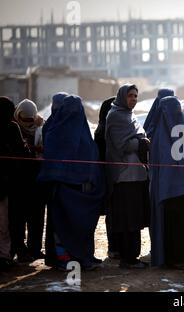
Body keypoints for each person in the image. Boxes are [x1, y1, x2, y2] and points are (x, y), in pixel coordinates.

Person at [38, 95, 104, 270]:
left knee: (82, 226)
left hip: (81, 189)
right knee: (61, 227)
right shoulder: (54, 131)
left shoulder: (83, 132)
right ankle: (63, 259)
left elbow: (91, 157)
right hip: (61, 188)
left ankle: (83, 256)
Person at [150, 96, 184, 269]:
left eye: (179, 110)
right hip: (168, 189)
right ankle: (174, 259)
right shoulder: (159, 136)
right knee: (173, 224)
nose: (176, 114)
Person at [105, 84, 150, 269]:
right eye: (130, 95)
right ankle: (129, 258)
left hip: (135, 174)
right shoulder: (115, 115)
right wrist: (142, 142)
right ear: (122, 96)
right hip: (125, 175)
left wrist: (141, 140)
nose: (133, 99)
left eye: (136, 96)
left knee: (134, 218)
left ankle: (131, 256)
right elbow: (123, 144)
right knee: (129, 219)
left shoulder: (128, 115)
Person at [12, 99, 46, 260]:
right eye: (25, 120)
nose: (28, 123)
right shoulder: (13, 128)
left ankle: (35, 248)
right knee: (19, 218)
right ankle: (19, 248)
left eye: (31, 120)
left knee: (37, 216)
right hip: (18, 180)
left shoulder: (40, 126)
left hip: (37, 179)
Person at [0, 97, 30, 270]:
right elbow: (22, 154)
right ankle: (5, 256)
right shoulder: (12, 127)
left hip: (7, 183)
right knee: (7, 222)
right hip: (10, 184)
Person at [94, 96, 119, 259]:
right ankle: (114, 247)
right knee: (114, 212)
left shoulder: (101, 128)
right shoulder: (105, 130)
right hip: (111, 176)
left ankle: (114, 247)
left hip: (108, 175)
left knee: (113, 213)